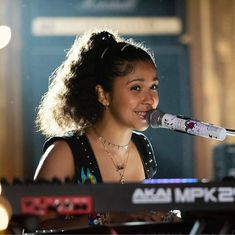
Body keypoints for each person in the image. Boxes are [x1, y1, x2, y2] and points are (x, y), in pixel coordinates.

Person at [33, 29, 175, 229]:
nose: (151, 99)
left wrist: (166, 217)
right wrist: (105, 218)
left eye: (153, 86)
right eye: (136, 88)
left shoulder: (142, 147)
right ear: (103, 95)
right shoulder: (64, 152)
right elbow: (34, 228)